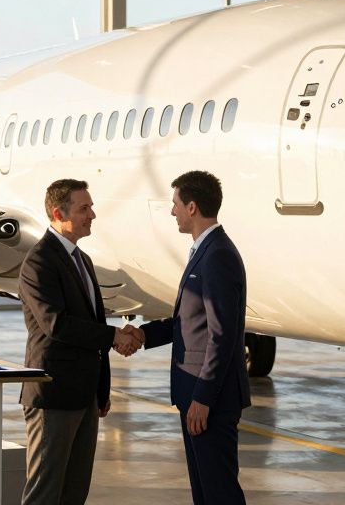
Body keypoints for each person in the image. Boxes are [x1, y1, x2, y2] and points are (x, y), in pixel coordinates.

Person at [127, 170, 249, 504]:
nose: (172, 211)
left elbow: (221, 337)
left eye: (176, 204)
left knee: (219, 492)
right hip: (197, 395)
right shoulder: (205, 250)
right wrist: (141, 333)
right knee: (204, 492)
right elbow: (190, 323)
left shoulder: (218, 255)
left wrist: (203, 398)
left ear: (192, 207)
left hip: (209, 398)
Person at [19, 178, 140, 505]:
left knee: (75, 492)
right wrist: (115, 336)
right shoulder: (38, 262)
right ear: (59, 212)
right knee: (44, 491)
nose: (92, 215)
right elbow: (55, 324)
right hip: (54, 394)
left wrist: (101, 389)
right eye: (84, 208)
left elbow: (92, 324)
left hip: (84, 395)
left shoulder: (82, 261)